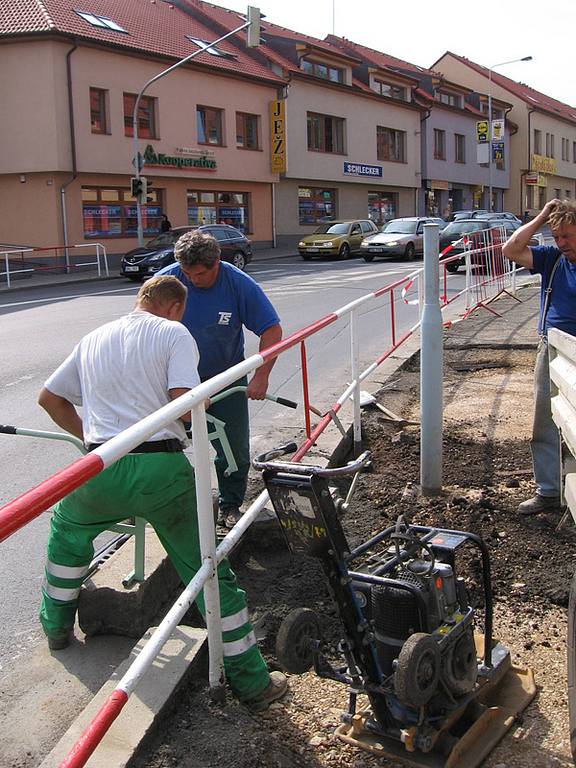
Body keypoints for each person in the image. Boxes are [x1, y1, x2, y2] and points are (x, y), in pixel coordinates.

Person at [37, 275, 287, 710]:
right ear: (174, 307)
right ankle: (253, 684)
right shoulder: (174, 333)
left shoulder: (95, 336)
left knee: (66, 536)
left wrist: (93, 443)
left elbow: (49, 398)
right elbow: (183, 402)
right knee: (208, 566)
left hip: (101, 466)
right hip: (161, 470)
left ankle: (57, 631)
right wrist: (202, 405)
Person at [159, 231, 282, 530]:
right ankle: (170, 505)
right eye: (186, 273)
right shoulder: (168, 282)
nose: (191, 280)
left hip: (225, 376)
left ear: (216, 263)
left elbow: (272, 331)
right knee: (162, 443)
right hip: (177, 382)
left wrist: (260, 376)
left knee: (232, 446)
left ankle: (230, 503)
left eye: (199, 274)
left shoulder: (237, 283)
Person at [502, 198, 576, 515]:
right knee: (544, 421)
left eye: (567, 236)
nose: (561, 243)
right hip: (552, 348)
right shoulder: (552, 259)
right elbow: (511, 249)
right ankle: (549, 491)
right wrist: (542, 216)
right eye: (557, 237)